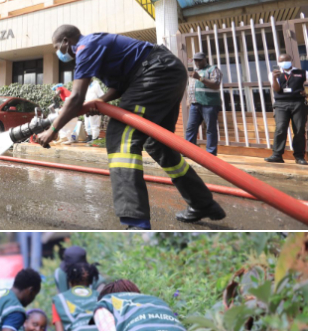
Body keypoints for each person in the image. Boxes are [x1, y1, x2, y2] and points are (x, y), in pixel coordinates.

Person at [38, 25, 224, 229]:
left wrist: (52, 131)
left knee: (120, 138)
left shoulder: (85, 47)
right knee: (158, 144)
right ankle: (202, 203)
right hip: (168, 72)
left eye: (57, 47)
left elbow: (75, 98)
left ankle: (136, 222)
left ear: (66, 42)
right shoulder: (96, 47)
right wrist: (99, 102)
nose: (59, 53)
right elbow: (118, 87)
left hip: (157, 71)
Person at [266, 53, 307, 165]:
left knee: (299, 130)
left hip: (298, 103)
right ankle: (277, 155)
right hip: (281, 104)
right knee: (280, 128)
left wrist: (307, 92)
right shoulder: (274, 74)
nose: (284, 63)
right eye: (281, 61)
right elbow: (277, 89)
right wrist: (274, 78)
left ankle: (299, 157)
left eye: (286, 60)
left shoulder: (302, 73)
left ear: (290, 60)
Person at [184, 51, 222, 156]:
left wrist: (200, 78)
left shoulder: (213, 69)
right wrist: (189, 100)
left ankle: (211, 153)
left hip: (209, 104)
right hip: (195, 104)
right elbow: (192, 87)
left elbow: (216, 85)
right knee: (191, 127)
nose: (197, 62)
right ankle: (187, 151)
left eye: (200, 60)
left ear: (205, 59)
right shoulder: (195, 72)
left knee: (210, 129)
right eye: (195, 60)